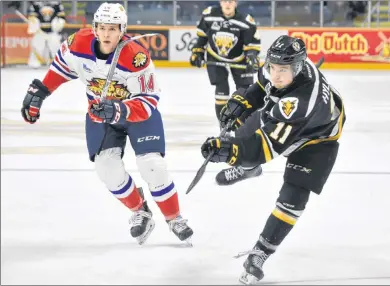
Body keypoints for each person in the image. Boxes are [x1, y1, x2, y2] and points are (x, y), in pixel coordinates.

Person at [20, 2, 193, 245]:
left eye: (113, 29)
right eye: (102, 28)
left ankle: (174, 218)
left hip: (137, 114)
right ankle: (140, 211)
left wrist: (120, 109)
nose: (106, 34)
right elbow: (61, 68)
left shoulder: (136, 56)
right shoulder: (77, 44)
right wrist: (41, 91)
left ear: (122, 29)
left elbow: (149, 100)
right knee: (106, 168)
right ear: (95, 28)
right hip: (100, 115)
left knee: (152, 165)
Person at [201, 35, 346, 284]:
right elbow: (261, 86)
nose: (276, 75)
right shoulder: (278, 68)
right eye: (273, 68)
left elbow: (264, 148)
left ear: (298, 67)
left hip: (319, 138)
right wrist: (244, 101)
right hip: (290, 115)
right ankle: (248, 169)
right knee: (246, 134)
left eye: (283, 70)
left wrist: (229, 151)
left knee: (294, 198)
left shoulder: (300, 104)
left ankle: (260, 254)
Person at [190, 0, 261, 126]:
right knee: (221, 90)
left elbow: (252, 43)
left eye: (231, 1)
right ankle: (223, 125)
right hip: (215, 58)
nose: (228, 4)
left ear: (235, 3)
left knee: (244, 92)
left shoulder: (245, 20)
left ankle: (245, 124)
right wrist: (198, 51)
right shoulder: (209, 15)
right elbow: (202, 36)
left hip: (239, 59)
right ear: (220, 2)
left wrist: (252, 56)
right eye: (225, 1)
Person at [27, 1, 66, 68]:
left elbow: (61, 17)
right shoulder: (36, 4)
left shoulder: (57, 4)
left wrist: (58, 25)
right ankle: (34, 62)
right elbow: (32, 17)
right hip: (40, 31)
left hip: (53, 31)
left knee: (56, 47)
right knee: (37, 45)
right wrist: (34, 24)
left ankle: (59, 64)